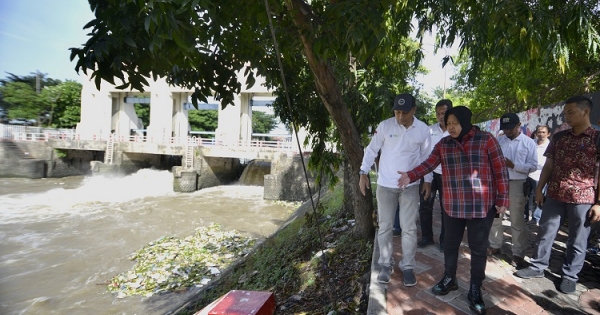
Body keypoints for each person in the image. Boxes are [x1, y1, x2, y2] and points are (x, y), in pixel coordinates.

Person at [398, 106, 509, 315]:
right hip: (453, 205)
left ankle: (475, 288)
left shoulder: (486, 140)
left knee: (478, 249)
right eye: (448, 124)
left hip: (480, 206)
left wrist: (502, 198)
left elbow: (500, 170)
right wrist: (410, 176)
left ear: (466, 121)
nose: (451, 127)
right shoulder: (444, 144)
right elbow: (428, 164)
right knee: (450, 245)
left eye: (454, 123)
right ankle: (450, 279)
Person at [515, 95, 600, 294]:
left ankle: (570, 276)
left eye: (571, 112)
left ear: (585, 111)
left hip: (584, 198)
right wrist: (539, 189)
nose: (567, 116)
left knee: (578, 239)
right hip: (554, 193)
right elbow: (549, 164)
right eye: (565, 112)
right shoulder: (560, 137)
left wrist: (599, 203)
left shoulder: (597, 138)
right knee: (545, 232)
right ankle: (537, 267)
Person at [359, 93, 432, 286]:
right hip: (385, 185)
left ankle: (408, 266)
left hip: (410, 186)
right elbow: (371, 149)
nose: (400, 116)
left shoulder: (423, 130)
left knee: (409, 228)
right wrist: (363, 172)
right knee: (385, 227)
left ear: (414, 110)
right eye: (397, 112)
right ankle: (385, 264)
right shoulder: (385, 126)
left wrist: (427, 180)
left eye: (405, 112)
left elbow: (427, 159)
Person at [488, 113, 537, 269]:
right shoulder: (499, 141)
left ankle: (518, 252)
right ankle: (495, 244)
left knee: (516, 219)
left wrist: (513, 165)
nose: (507, 131)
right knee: (496, 216)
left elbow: (533, 166)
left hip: (517, 183)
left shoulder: (528, 143)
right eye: (505, 129)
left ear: (518, 125)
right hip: (498, 184)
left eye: (510, 128)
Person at [417, 99, 452, 250]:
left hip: (448, 176)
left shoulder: (456, 130)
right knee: (425, 205)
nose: (440, 116)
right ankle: (427, 237)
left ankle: (445, 240)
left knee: (447, 209)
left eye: (443, 113)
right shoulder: (429, 131)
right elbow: (424, 155)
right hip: (430, 174)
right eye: (438, 113)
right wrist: (426, 178)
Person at [527, 125, 551, 225]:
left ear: (548, 134)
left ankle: (536, 218)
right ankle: (526, 215)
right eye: (539, 132)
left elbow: (546, 164)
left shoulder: (550, 146)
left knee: (540, 198)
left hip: (540, 176)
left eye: (543, 132)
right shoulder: (531, 143)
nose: (541, 134)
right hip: (528, 174)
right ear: (536, 134)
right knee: (528, 197)